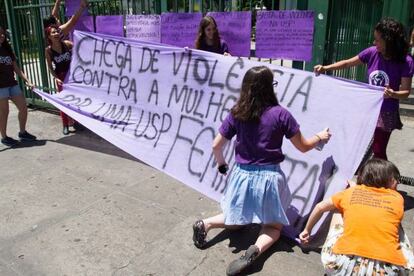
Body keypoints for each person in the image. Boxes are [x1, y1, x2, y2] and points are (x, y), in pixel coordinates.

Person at [192, 66, 331, 275]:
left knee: (236, 218)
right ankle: (256, 250)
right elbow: (303, 146)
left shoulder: (237, 112)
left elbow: (215, 145)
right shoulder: (281, 114)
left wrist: (222, 165)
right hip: (269, 179)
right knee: (273, 227)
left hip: (241, 175)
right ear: (269, 87)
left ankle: (205, 224)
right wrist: (320, 137)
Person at [314, 18, 414, 160]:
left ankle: (382, 179)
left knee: (378, 150)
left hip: (386, 111)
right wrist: (326, 68)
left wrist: (393, 94)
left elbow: (405, 92)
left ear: (389, 41)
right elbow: (348, 63)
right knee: (355, 144)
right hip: (366, 108)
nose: (374, 43)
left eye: (378, 40)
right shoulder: (372, 52)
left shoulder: (406, 61)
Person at [299, 158, 414, 275]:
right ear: (388, 180)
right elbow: (373, 206)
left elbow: (320, 207)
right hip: (387, 270)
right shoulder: (397, 198)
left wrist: (307, 230)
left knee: (339, 208)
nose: (398, 183)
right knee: (395, 225)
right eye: (396, 180)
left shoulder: (349, 194)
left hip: (342, 266)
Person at [0, 26, 37, 147]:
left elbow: (16, 68)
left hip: (12, 83)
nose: (2, 36)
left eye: (3, 34)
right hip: (1, 87)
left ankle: (22, 132)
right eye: (0, 34)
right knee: (4, 113)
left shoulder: (7, 49)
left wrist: (28, 80)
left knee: (23, 107)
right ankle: (4, 137)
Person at [45, 25, 76, 135]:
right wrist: (56, 78)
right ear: (49, 36)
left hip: (72, 76)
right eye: (53, 33)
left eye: (57, 32)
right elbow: (50, 67)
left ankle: (76, 122)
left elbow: (80, 46)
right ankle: (65, 125)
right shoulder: (48, 51)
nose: (56, 34)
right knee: (64, 102)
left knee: (76, 100)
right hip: (61, 78)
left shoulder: (67, 44)